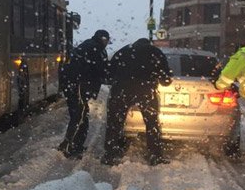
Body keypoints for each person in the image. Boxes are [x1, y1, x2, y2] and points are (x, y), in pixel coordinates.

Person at [101, 38, 173, 166]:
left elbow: (107, 74)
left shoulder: (123, 51)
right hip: (145, 90)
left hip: (121, 90)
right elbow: (165, 79)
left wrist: (119, 81)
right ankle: (154, 155)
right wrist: (160, 79)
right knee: (152, 123)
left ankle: (110, 154)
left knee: (115, 123)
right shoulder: (155, 52)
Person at [57, 30, 110, 159]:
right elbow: (98, 70)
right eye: (104, 39)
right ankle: (69, 147)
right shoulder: (94, 48)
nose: (106, 42)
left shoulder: (91, 46)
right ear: (100, 38)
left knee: (81, 115)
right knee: (79, 116)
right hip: (78, 85)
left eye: (107, 39)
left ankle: (74, 145)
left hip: (74, 84)